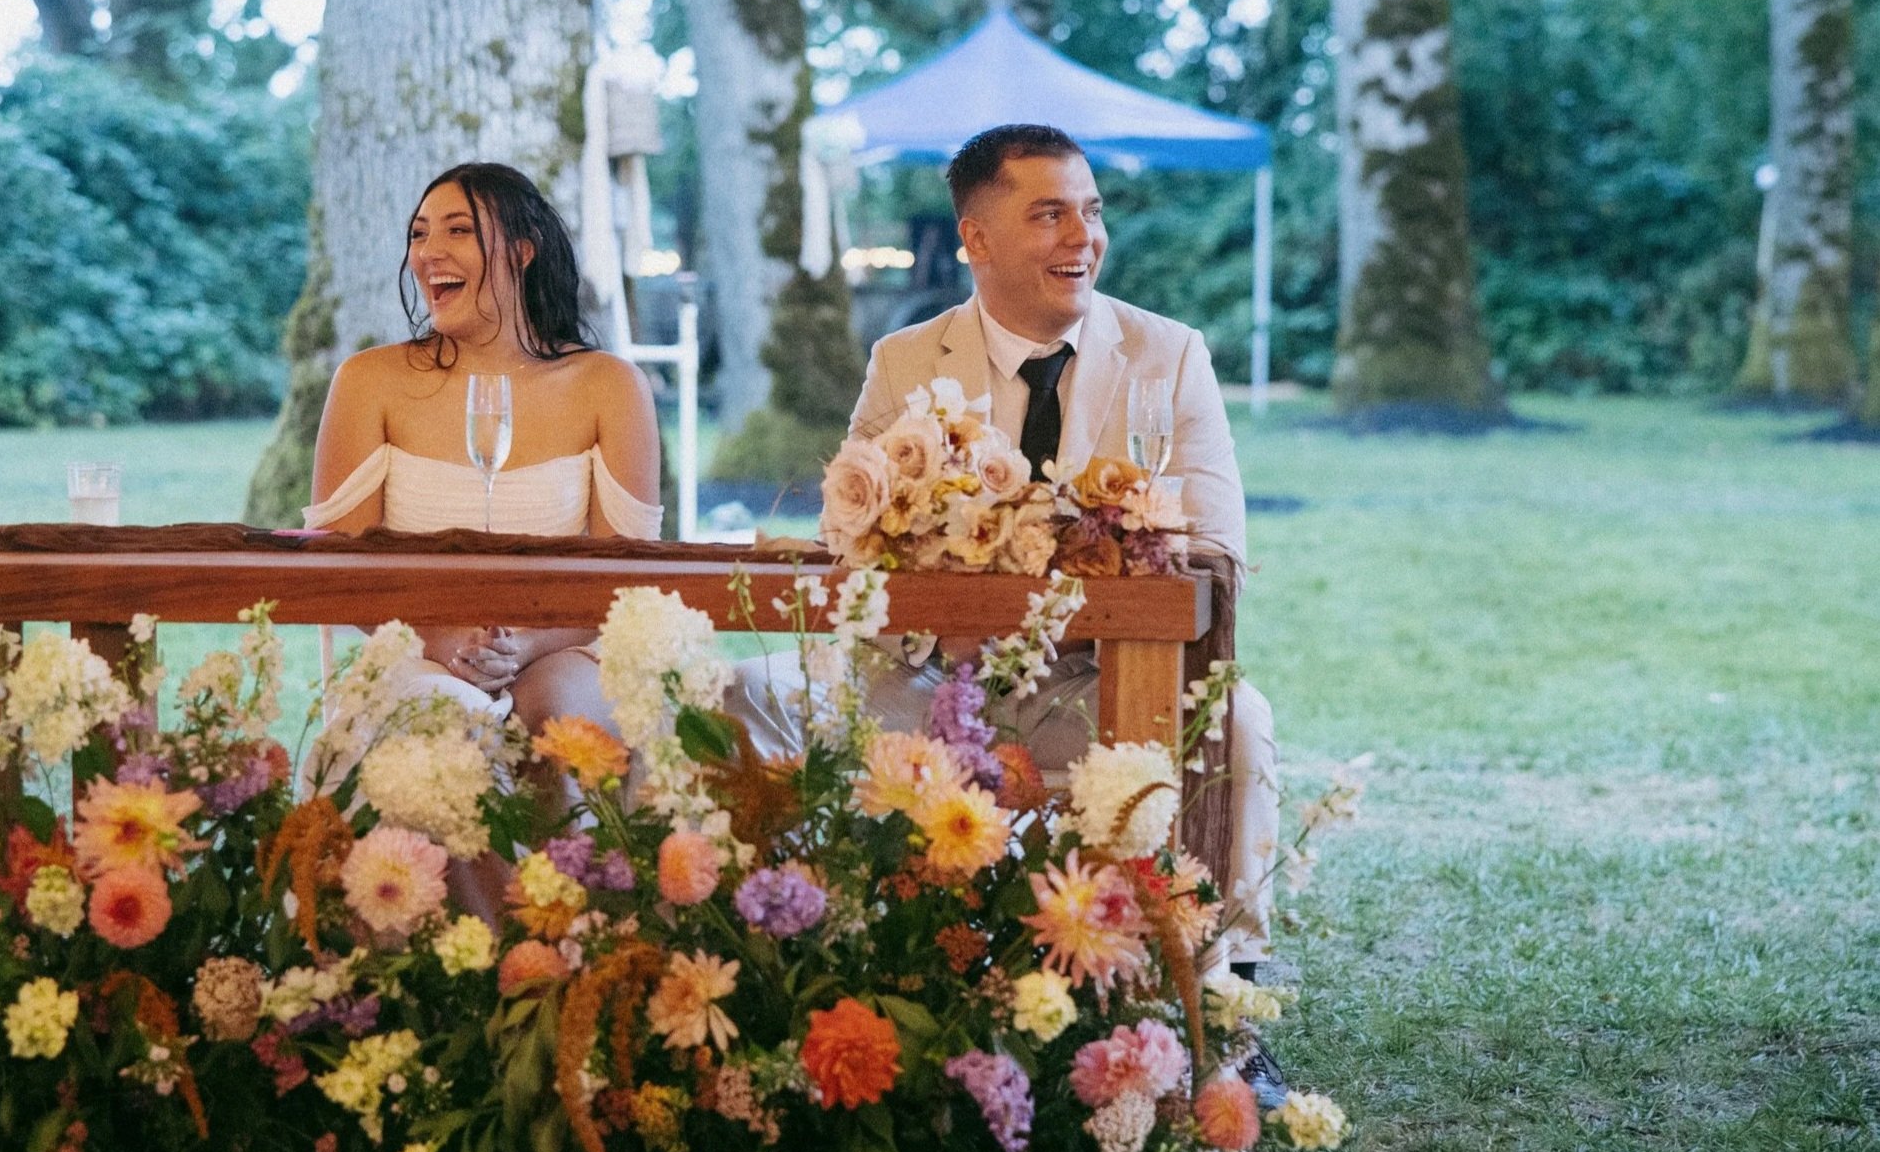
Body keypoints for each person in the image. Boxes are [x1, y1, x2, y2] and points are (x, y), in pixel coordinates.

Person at [735, 123, 1282, 988]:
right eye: (1051, 215)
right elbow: (854, 542)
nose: (1084, 238)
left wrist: (1088, 587)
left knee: (1237, 719)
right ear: (976, 239)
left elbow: (1216, 547)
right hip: (929, 677)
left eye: (1092, 213)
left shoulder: (1168, 355)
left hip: (1103, 672)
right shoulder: (906, 361)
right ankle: (852, 964)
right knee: (750, 700)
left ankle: (1218, 982)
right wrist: (942, 632)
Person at [303, 161, 663, 743]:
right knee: (445, 716)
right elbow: (341, 568)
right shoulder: (369, 382)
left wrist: (519, 646)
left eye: (458, 230)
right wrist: (452, 645)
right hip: (417, 649)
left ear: (523, 252)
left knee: (559, 713)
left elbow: (624, 576)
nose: (428, 252)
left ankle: (572, 839)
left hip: (562, 648)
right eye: (419, 233)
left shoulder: (610, 386)